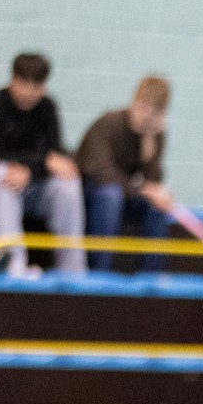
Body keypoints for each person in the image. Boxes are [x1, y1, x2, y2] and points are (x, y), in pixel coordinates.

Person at [0, 52, 84, 277]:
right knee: (3, 175)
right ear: (13, 80)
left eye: (37, 86)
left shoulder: (47, 107)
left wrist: (31, 171)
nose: (30, 93)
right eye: (25, 84)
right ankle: (13, 265)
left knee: (68, 184)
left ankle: (73, 271)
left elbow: (54, 156)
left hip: (32, 183)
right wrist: (37, 163)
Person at [78, 74, 174, 271]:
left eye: (154, 113)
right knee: (111, 195)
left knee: (157, 205)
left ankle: (151, 276)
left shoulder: (154, 134)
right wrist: (141, 190)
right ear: (134, 101)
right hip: (90, 190)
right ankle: (100, 272)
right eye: (142, 108)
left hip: (124, 193)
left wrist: (150, 146)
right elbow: (103, 173)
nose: (146, 117)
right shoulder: (109, 122)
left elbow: (153, 181)